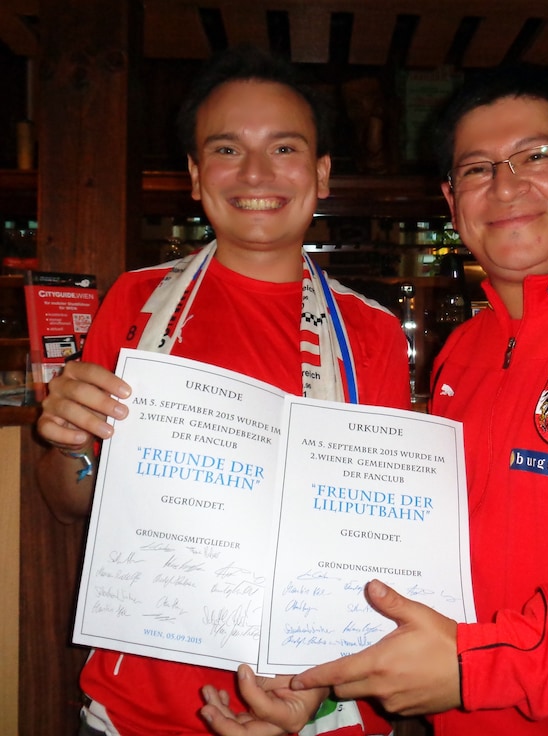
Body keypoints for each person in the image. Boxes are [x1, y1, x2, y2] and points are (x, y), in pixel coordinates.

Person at [201, 64, 548, 735]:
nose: (505, 186)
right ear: (451, 199)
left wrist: (479, 668)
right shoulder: (461, 354)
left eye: (535, 155)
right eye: (476, 169)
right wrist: (323, 687)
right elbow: (419, 565)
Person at [35, 45, 411, 736]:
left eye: (285, 148)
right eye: (227, 149)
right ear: (195, 175)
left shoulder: (371, 334)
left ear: (322, 173)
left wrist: (317, 703)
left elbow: (376, 550)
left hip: (313, 708)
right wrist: (69, 444)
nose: (257, 173)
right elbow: (69, 504)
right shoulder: (137, 304)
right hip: (135, 710)